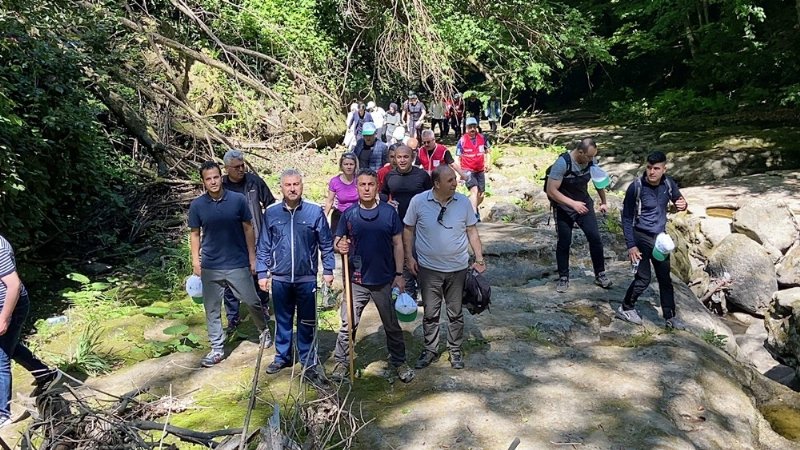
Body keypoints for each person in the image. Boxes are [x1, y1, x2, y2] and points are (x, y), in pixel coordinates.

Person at [330, 168, 415, 383]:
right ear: (356, 187)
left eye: (370, 184)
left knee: (391, 324)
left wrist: (398, 274)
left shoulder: (389, 213)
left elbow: (398, 244)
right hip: (356, 280)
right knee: (348, 323)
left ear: (377, 186)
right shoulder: (349, 215)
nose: (366, 188)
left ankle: (399, 362)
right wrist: (340, 245)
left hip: (384, 279)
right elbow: (337, 242)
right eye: (362, 185)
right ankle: (341, 362)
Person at [404, 165, 486, 370]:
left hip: (457, 268)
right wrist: (408, 257)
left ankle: (455, 349)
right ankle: (430, 349)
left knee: (455, 312)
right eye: (450, 180)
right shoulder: (419, 201)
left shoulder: (464, 202)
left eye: (455, 179)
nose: (455, 183)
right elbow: (408, 230)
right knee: (431, 313)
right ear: (437, 183)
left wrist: (479, 257)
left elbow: (472, 231)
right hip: (428, 269)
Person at [256, 169, 335, 382]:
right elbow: (263, 244)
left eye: (296, 184)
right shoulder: (271, 213)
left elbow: (326, 243)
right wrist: (262, 272)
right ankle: (283, 356)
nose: (292, 188)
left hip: (306, 277)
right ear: (281, 187)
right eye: (288, 185)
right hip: (280, 277)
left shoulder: (313, 212)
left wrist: (328, 269)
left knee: (307, 320)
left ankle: (309, 360)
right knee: (282, 319)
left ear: (302, 185)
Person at [189, 161, 269, 367]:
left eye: (216, 177)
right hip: (210, 265)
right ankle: (217, 348)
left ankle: (263, 330)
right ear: (203, 182)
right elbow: (195, 234)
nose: (213, 182)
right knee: (212, 308)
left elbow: (249, 228)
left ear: (221, 176)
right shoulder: (197, 205)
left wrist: (253, 257)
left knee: (251, 301)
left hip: (237, 262)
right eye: (208, 179)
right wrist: (195, 261)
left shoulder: (238, 200)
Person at [618, 151, 688, 329]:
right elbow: (626, 218)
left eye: (656, 168)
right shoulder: (636, 187)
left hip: (659, 238)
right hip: (640, 236)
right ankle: (626, 307)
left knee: (665, 279)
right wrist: (631, 246)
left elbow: (679, 201)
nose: (652, 172)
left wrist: (683, 205)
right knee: (643, 278)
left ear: (664, 169)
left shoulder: (669, 184)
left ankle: (670, 317)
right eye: (649, 167)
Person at [0, 234, 63, 427]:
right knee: (9, 346)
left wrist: (4, 318)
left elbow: (14, 285)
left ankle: (3, 414)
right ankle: (44, 374)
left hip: (11, 306)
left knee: (0, 356)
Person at [545, 138, 613, 293]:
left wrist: (603, 201)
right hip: (564, 207)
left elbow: (597, 181)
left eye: (593, 156)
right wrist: (572, 204)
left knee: (595, 238)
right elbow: (551, 190)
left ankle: (600, 274)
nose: (591, 160)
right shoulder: (562, 164)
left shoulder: (591, 159)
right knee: (564, 242)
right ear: (580, 152)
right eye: (589, 157)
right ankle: (563, 278)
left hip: (584, 204)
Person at [221, 150, 276, 334]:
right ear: (227, 168)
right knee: (229, 279)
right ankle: (233, 317)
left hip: (257, 236)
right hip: (231, 240)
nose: (241, 169)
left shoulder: (254, 181)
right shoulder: (221, 185)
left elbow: (270, 204)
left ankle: (263, 308)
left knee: (258, 273)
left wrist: (272, 229)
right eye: (236, 167)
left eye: (242, 165)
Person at [380, 145, 433, 300]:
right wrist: (387, 203)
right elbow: (383, 194)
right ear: (394, 159)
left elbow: (432, 196)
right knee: (403, 258)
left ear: (412, 157)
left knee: (420, 256)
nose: (402, 160)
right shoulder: (390, 176)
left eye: (405, 157)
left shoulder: (422, 175)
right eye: (399, 157)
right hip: (399, 223)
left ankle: (426, 290)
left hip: (420, 225)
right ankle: (409, 292)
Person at [456, 117, 491, 220]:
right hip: (467, 170)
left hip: (480, 170)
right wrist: (459, 173)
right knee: (474, 190)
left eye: (474, 127)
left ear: (476, 127)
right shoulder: (462, 140)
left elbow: (488, 151)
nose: (472, 129)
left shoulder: (482, 138)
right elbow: (457, 157)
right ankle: (474, 216)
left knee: (481, 194)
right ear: (466, 128)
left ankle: (472, 206)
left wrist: (488, 163)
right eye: (470, 127)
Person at [324, 153, 359, 234]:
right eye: (346, 164)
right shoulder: (335, 181)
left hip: (357, 216)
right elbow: (330, 201)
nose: (349, 167)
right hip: (340, 215)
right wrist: (324, 216)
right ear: (341, 166)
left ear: (355, 165)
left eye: (351, 164)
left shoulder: (359, 180)